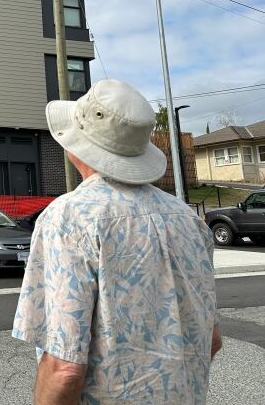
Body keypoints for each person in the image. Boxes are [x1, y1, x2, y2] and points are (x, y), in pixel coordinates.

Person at [12, 79, 221, 404]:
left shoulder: (68, 219)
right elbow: (211, 339)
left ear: (74, 147)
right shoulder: (189, 220)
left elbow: (64, 368)